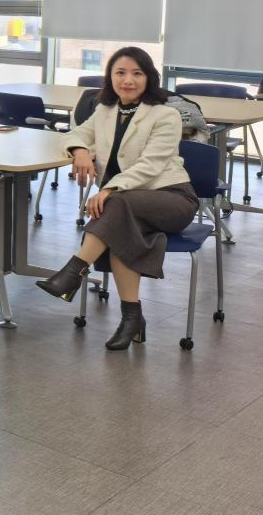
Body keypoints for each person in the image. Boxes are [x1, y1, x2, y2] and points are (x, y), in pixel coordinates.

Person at [37, 47, 198, 351]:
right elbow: (72, 135)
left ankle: (74, 270)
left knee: (116, 205)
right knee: (120, 229)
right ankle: (131, 318)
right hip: (128, 205)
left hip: (172, 198)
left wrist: (110, 189)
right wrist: (80, 151)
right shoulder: (105, 111)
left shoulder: (166, 115)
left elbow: (151, 165)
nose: (128, 80)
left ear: (149, 78)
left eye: (137, 73)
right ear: (110, 77)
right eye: (120, 73)